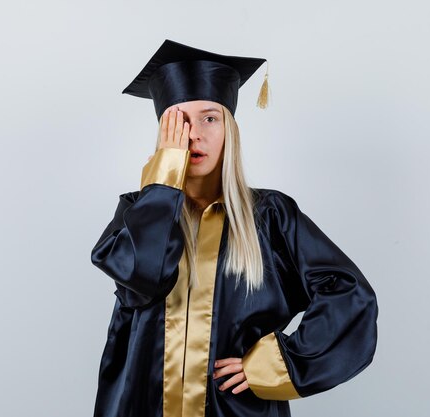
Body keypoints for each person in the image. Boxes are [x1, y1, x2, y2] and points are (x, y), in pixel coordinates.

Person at [90, 39, 378, 417]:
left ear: (230, 129)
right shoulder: (136, 212)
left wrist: (274, 364)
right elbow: (145, 278)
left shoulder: (270, 216)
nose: (194, 134)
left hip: (237, 410)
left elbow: (349, 295)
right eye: (179, 121)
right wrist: (161, 185)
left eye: (210, 118)